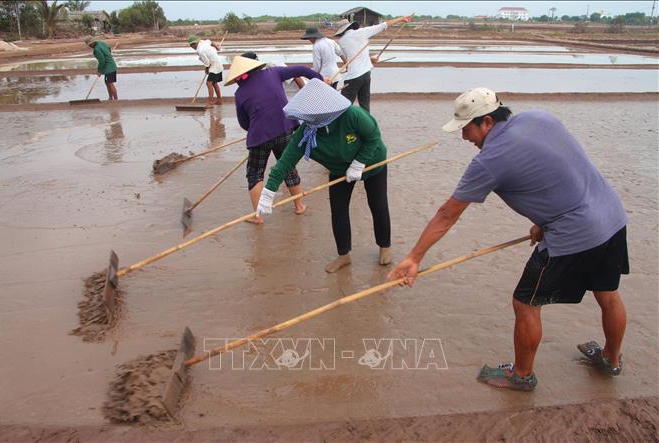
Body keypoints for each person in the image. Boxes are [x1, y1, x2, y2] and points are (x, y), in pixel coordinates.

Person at [387, 87, 629, 391]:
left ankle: (522, 375)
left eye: (467, 129)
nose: (464, 138)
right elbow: (557, 169)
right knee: (608, 294)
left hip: (575, 234)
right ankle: (611, 359)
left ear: (486, 121)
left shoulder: (490, 160)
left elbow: (447, 214)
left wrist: (414, 258)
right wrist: (545, 221)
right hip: (611, 216)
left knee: (525, 303)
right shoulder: (539, 118)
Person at [256, 79, 392, 273]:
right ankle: (344, 255)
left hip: (372, 162)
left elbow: (373, 137)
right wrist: (268, 192)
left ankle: (384, 247)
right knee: (338, 210)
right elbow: (285, 163)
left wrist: (359, 163)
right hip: (339, 170)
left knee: (377, 205)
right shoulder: (307, 133)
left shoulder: (352, 115)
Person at [225, 55, 323, 224]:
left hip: (260, 136)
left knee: (255, 174)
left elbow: (244, 123)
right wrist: (320, 81)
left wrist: (257, 129)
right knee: (287, 166)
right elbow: (303, 69)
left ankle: (257, 216)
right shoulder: (273, 73)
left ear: (240, 76)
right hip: (285, 128)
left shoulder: (240, 93)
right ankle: (299, 206)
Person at [334, 15, 412, 112]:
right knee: (365, 104)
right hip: (366, 74)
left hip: (354, 76)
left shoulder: (341, 41)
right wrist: (401, 19)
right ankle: (367, 125)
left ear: (343, 31)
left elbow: (353, 59)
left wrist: (370, 59)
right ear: (351, 27)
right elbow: (383, 25)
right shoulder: (361, 32)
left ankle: (340, 125)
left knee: (343, 105)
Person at [188, 35, 224, 105]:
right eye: (191, 45)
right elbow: (210, 42)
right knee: (214, 83)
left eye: (194, 44)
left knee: (209, 83)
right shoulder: (203, 42)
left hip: (215, 66)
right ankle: (219, 100)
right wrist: (217, 47)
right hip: (217, 64)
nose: (193, 46)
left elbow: (207, 62)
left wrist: (207, 68)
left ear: (197, 42)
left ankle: (210, 102)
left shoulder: (200, 51)